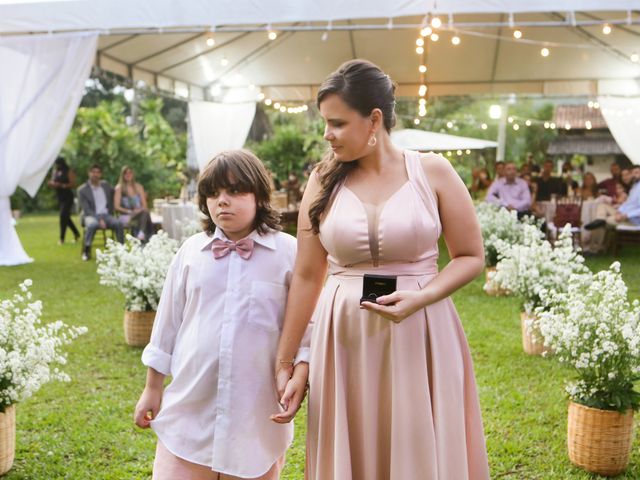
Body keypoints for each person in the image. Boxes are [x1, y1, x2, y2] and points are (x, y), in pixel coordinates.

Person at [272, 60, 490, 479]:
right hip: (343, 340)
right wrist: (288, 361)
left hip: (420, 332)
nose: (326, 134)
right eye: (324, 123)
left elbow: (470, 256)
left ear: (374, 120)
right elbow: (306, 274)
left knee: (414, 442)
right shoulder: (322, 180)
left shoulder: (433, 172)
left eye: (336, 123)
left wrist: (421, 297)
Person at [134, 150, 308, 480]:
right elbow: (167, 325)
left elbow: (305, 323)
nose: (222, 202)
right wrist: (152, 387)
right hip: (189, 413)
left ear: (259, 195)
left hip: (255, 419)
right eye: (213, 194)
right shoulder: (190, 253)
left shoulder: (288, 253)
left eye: (234, 191)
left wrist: (302, 367)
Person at [77, 164, 124, 261]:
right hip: (90, 215)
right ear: (89, 173)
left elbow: (118, 192)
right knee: (92, 224)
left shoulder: (105, 185)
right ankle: (86, 250)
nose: (95, 174)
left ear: (101, 174)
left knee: (118, 223)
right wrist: (99, 219)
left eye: (98, 172)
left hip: (107, 215)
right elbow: (86, 209)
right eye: (93, 172)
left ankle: (121, 250)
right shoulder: (82, 190)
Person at [114, 166, 154, 241]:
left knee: (145, 212)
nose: (128, 175)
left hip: (140, 213)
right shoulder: (119, 188)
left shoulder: (139, 187)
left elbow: (144, 205)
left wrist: (138, 210)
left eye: (130, 173)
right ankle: (148, 237)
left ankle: (141, 234)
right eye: (126, 173)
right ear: (122, 175)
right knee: (145, 215)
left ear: (133, 174)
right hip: (126, 216)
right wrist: (130, 211)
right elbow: (117, 207)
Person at [47, 156, 80, 245]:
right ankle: (76, 233)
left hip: (68, 196)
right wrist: (52, 184)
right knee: (66, 217)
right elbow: (51, 181)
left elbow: (73, 184)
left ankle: (62, 238)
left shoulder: (69, 171)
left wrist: (62, 185)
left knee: (62, 216)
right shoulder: (55, 172)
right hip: (60, 196)